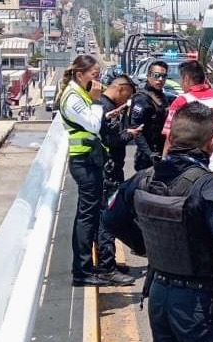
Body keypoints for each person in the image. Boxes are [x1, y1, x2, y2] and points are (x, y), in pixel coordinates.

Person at [103, 101, 213, 342]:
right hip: (201, 304)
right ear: (212, 143)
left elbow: (110, 219)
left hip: (160, 294)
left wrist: (145, 245)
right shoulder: (209, 187)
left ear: (171, 137)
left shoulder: (143, 178)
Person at [57, 54, 134, 287]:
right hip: (84, 163)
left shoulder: (79, 94)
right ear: (80, 75)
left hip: (90, 161)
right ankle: (82, 271)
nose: (98, 80)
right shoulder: (74, 96)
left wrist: (102, 111)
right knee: (87, 218)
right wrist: (97, 101)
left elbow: (90, 121)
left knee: (89, 216)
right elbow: (91, 124)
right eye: (95, 75)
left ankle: (87, 267)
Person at [97, 74, 143, 274]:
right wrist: (129, 134)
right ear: (120, 89)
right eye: (127, 96)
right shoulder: (107, 108)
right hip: (109, 171)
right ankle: (107, 265)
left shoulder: (101, 105)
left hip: (108, 169)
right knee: (108, 218)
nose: (126, 102)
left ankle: (109, 262)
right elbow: (112, 140)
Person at [162, 60, 213, 184]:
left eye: (181, 79)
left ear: (186, 79)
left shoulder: (182, 101)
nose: (180, 83)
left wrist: (164, 163)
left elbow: (170, 138)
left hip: (191, 170)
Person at [126, 60, 171, 171]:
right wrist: (150, 154)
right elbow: (136, 130)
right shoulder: (141, 99)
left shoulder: (163, 97)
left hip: (162, 152)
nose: (160, 79)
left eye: (163, 76)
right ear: (148, 76)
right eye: (156, 75)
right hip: (147, 157)